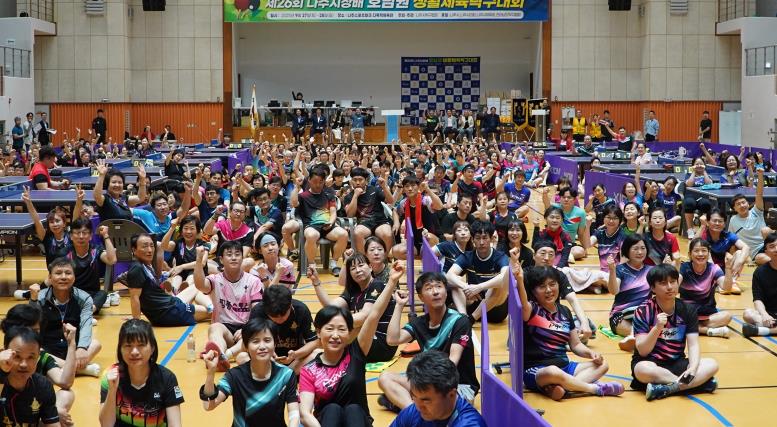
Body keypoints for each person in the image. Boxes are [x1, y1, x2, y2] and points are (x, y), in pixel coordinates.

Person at [299, 263, 404, 427]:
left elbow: (374, 315)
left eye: (341, 329)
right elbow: (305, 414)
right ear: (318, 332)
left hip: (358, 421)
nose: (335, 335)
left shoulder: (356, 353)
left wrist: (391, 282)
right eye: (329, 329)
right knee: (332, 409)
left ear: (349, 332)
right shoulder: (310, 369)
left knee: (353, 410)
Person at [514, 262, 623, 400]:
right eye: (542, 286)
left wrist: (591, 353)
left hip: (566, 367)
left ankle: (562, 388)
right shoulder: (531, 309)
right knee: (553, 372)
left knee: (603, 365)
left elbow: (576, 345)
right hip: (538, 370)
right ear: (533, 291)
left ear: (559, 285)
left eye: (552, 284)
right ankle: (595, 389)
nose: (548, 290)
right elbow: (523, 303)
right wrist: (519, 279)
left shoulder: (565, 311)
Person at [379, 271, 480, 412]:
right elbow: (392, 340)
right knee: (385, 378)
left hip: (457, 388)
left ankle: (413, 405)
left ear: (446, 292)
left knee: (410, 396)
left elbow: (451, 363)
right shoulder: (419, 323)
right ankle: (416, 412)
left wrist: (422, 388)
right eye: (429, 288)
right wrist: (399, 306)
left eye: (439, 286)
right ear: (421, 297)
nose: (435, 292)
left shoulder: (460, 321)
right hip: (428, 384)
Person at [631, 264, 720, 401]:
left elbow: (693, 345)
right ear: (653, 288)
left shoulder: (688, 310)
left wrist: (693, 368)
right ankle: (695, 385)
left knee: (712, 364)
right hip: (650, 362)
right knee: (642, 370)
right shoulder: (643, 311)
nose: (669, 287)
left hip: (676, 362)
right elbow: (643, 351)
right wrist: (657, 328)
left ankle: (668, 388)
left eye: (673, 282)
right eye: (663, 283)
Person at [200, 318, 300, 427]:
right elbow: (208, 405)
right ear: (246, 347)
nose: (262, 347)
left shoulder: (286, 375)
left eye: (267, 340)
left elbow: (294, 414)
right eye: (255, 341)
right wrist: (211, 372)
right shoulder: (234, 376)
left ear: (275, 343)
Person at [311, 255, 400, 363]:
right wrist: (316, 282)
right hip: (362, 341)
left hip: (381, 344)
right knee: (316, 351)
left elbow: (364, 316)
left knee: (319, 352)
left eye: (361, 265)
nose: (358, 270)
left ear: (370, 267)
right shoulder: (353, 290)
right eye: (353, 268)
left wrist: (333, 326)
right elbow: (330, 307)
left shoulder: (377, 285)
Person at [1, 304, 77, 426]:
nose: (23, 364)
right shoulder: (3, 361)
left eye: (36, 331)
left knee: (67, 394)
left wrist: (71, 344)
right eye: (17, 357)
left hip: (33, 412)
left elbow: (65, 382)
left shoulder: (41, 362)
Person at [99, 319, 184, 427]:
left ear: (152, 348)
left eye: (141, 345)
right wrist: (112, 390)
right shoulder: (110, 376)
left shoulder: (167, 378)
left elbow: (175, 424)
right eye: (128, 345)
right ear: (120, 349)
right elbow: (106, 424)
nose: (134, 352)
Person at [194, 241, 264, 371]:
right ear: (221, 259)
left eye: (237, 254)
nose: (233, 257)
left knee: (255, 334)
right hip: (225, 328)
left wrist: (246, 329)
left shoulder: (253, 281)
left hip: (246, 329)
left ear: (242, 258)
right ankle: (220, 355)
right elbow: (200, 285)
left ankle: (224, 356)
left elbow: (258, 311)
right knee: (214, 327)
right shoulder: (215, 280)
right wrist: (199, 260)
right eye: (229, 254)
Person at [28, 257, 102, 377]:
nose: (63, 277)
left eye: (68, 273)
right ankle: (81, 370)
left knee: (96, 344)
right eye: (58, 273)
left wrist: (82, 348)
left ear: (74, 277)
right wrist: (33, 300)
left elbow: (86, 324)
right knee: (36, 351)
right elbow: (31, 324)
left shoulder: (84, 298)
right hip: (48, 349)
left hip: (73, 348)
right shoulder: (40, 297)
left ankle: (62, 368)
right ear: (50, 278)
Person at [127, 233, 211, 326]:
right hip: (168, 313)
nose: (150, 250)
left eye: (151, 246)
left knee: (197, 286)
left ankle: (210, 306)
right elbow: (134, 297)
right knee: (213, 312)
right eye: (144, 246)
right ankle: (211, 307)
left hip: (170, 302)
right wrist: (136, 321)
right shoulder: (137, 269)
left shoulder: (145, 265)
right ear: (134, 250)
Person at [389, 350, 486, 427]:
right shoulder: (414, 412)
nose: (419, 407)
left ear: (451, 395)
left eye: (426, 401)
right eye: (414, 397)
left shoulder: (469, 424)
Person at [446, 220, 509, 323]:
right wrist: (466, 287)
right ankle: (463, 318)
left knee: (499, 285)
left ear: (491, 239)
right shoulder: (467, 256)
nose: (481, 242)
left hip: (496, 309)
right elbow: (449, 276)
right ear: (472, 239)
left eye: (485, 238)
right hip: (474, 303)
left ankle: (471, 320)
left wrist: (479, 287)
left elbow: (504, 277)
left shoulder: (500, 257)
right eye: (478, 238)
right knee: (455, 283)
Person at [292, 165, 348, 276]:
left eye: (321, 182)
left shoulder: (329, 195)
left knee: (344, 234)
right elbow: (294, 203)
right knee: (312, 236)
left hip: (328, 225)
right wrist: (296, 187)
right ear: (309, 180)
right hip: (311, 226)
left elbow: (333, 212)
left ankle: (334, 263)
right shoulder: (303, 196)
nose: (318, 185)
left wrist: (331, 222)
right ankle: (312, 265)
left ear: (324, 181)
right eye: (315, 182)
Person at [248, 285, 318, 373]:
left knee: (317, 353)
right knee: (242, 357)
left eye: (284, 315)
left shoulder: (301, 309)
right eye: (273, 316)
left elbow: (314, 341)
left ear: (290, 305)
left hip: (295, 360)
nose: (279, 320)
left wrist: (296, 354)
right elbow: (250, 341)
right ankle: (284, 375)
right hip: (265, 359)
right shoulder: (257, 311)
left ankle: (285, 374)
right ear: (265, 309)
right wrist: (267, 353)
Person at [0, 327, 60, 426]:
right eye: (17, 356)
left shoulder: (43, 386)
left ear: (38, 356)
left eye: (31, 357)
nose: (24, 364)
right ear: (3, 353)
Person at [608, 234, 653, 351]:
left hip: (646, 315)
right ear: (627, 250)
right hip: (621, 316)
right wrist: (612, 271)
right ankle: (634, 337)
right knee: (647, 333)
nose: (640, 252)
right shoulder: (620, 269)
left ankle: (633, 337)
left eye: (643, 248)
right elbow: (613, 291)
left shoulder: (651, 270)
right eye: (635, 248)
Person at [63, 217, 117, 313]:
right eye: (77, 233)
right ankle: (84, 312)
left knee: (103, 294)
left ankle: (86, 311)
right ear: (71, 236)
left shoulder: (96, 250)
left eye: (84, 233)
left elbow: (112, 260)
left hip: (92, 295)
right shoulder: (65, 253)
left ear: (91, 236)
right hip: (72, 293)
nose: (81, 236)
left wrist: (105, 235)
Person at [345, 167, 395, 256]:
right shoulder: (349, 196)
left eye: (360, 180)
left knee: (387, 234)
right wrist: (355, 196)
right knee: (358, 233)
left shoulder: (374, 190)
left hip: (380, 221)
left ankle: (383, 258)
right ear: (351, 181)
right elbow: (350, 214)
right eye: (355, 180)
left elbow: (391, 201)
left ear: (366, 180)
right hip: (364, 222)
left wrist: (384, 187)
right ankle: (365, 259)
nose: (357, 182)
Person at [391, 175, 443, 260]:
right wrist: (396, 223)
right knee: (396, 251)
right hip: (414, 242)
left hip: (431, 238)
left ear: (418, 187)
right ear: (404, 189)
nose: (410, 189)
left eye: (413, 185)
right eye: (407, 186)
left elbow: (440, 206)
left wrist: (427, 189)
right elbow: (395, 210)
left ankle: (430, 256)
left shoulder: (425, 200)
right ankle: (421, 257)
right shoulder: (404, 203)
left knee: (428, 237)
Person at [160, 215, 215, 294]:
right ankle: (173, 290)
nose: (188, 231)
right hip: (180, 273)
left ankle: (184, 290)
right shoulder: (178, 243)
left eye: (192, 228)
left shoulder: (203, 245)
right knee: (177, 277)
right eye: (185, 228)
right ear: (181, 230)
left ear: (197, 231)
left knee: (191, 277)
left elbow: (202, 263)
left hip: (196, 273)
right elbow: (163, 246)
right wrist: (172, 228)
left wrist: (182, 267)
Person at [729, 168, 772, 266]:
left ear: (748, 204)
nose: (742, 205)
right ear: (734, 208)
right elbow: (731, 240)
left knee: (766, 230)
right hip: (756, 252)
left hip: (768, 245)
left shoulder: (756, 211)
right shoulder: (733, 220)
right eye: (738, 204)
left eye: (743, 202)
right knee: (760, 258)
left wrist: (760, 175)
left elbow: (759, 194)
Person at [743, 233, 777, 336]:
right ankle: (771, 326)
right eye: (772, 246)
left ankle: (763, 330)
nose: (776, 249)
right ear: (766, 252)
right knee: (748, 314)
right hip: (770, 315)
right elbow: (758, 299)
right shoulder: (760, 272)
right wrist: (765, 314)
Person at [542, 187, 590, 260]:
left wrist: (584, 248)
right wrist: (545, 194)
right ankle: (565, 256)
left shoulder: (580, 213)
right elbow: (546, 205)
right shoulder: (555, 208)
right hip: (552, 242)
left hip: (569, 244)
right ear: (560, 198)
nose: (566, 199)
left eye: (569, 197)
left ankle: (558, 256)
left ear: (574, 199)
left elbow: (580, 234)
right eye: (563, 197)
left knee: (580, 251)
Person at [683, 157, 714, 239]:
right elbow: (689, 184)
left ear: (704, 165)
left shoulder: (707, 175)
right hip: (690, 195)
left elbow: (709, 184)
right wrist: (693, 171)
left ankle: (704, 229)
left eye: (701, 164)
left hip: (703, 196)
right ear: (693, 165)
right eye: (697, 164)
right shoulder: (688, 175)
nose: (699, 166)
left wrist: (704, 171)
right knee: (689, 203)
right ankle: (690, 229)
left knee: (706, 204)